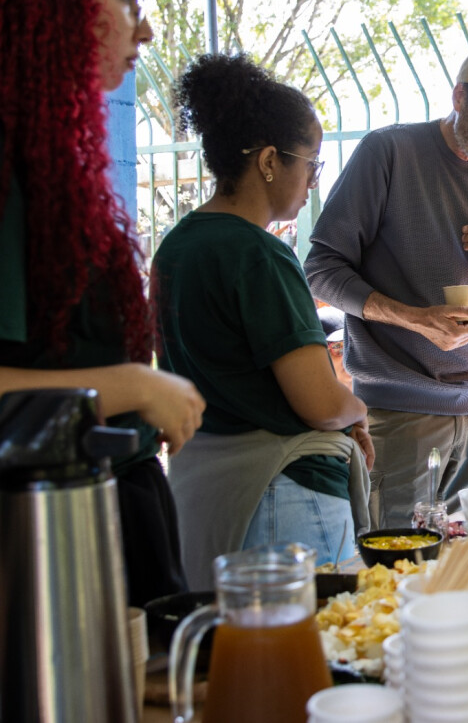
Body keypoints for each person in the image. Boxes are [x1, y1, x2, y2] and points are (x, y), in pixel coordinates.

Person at [0, 0, 206, 607]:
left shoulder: (50, 164)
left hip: (110, 512)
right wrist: (138, 387)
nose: (143, 29)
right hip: (51, 545)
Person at [151, 53, 374, 589]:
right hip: (282, 496)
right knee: (312, 660)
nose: (312, 181)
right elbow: (319, 403)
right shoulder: (259, 254)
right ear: (270, 160)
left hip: (203, 494)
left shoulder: (176, 247)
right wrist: (359, 409)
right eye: (311, 163)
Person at [304, 43, 468, 527]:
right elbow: (321, 268)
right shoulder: (388, 153)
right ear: (459, 97)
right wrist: (414, 319)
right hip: (399, 412)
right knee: (399, 570)